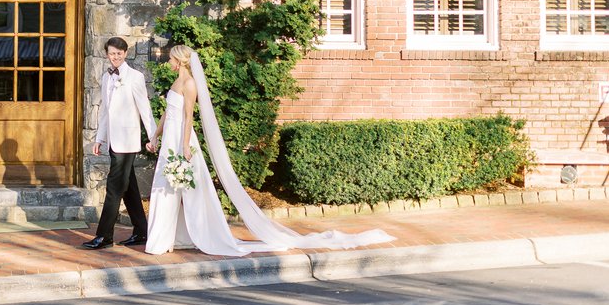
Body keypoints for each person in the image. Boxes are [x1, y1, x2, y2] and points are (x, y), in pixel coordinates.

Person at [144, 45, 395, 256]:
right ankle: (168, 238)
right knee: (165, 187)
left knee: (186, 190)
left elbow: (188, 117)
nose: (169, 62)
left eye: (171, 59)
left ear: (180, 60)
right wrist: (155, 135)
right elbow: (169, 112)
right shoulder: (176, 82)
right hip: (168, 138)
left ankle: (182, 236)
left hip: (181, 140)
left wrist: (185, 146)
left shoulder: (189, 84)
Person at [82, 37, 157, 250]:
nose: (115, 57)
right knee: (129, 187)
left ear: (125, 53)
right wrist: (99, 138)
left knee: (114, 188)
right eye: (111, 53)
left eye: (119, 53)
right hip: (113, 141)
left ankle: (104, 236)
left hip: (128, 141)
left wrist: (152, 137)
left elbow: (145, 109)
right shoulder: (107, 78)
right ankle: (141, 231)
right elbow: (105, 111)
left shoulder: (135, 77)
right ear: (107, 54)